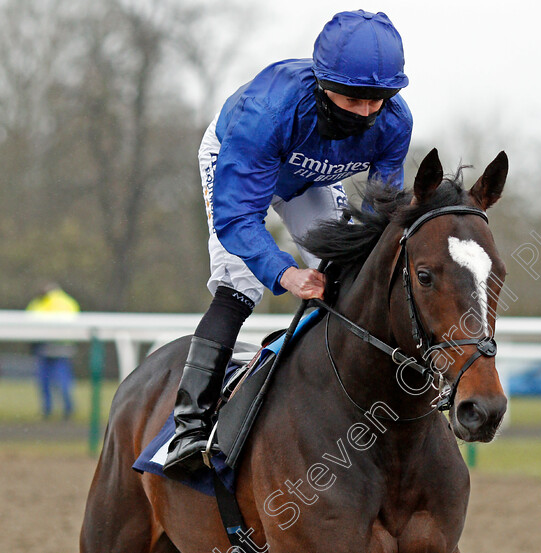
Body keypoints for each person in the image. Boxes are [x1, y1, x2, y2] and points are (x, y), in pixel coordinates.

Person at [164, 10, 413, 477]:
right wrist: (284, 271)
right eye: (354, 99)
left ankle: (343, 404)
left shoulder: (394, 122)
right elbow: (237, 217)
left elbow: (380, 215)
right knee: (240, 284)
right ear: (322, 84)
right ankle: (189, 426)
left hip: (307, 179)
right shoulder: (267, 112)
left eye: (377, 100)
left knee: (347, 280)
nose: (365, 113)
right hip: (239, 161)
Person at [26, 283, 80, 420]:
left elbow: (30, 321)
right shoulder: (67, 301)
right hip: (57, 347)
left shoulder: (42, 302)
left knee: (50, 381)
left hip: (52, 346)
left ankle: (52, 410)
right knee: (58, 380)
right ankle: (65, 409)